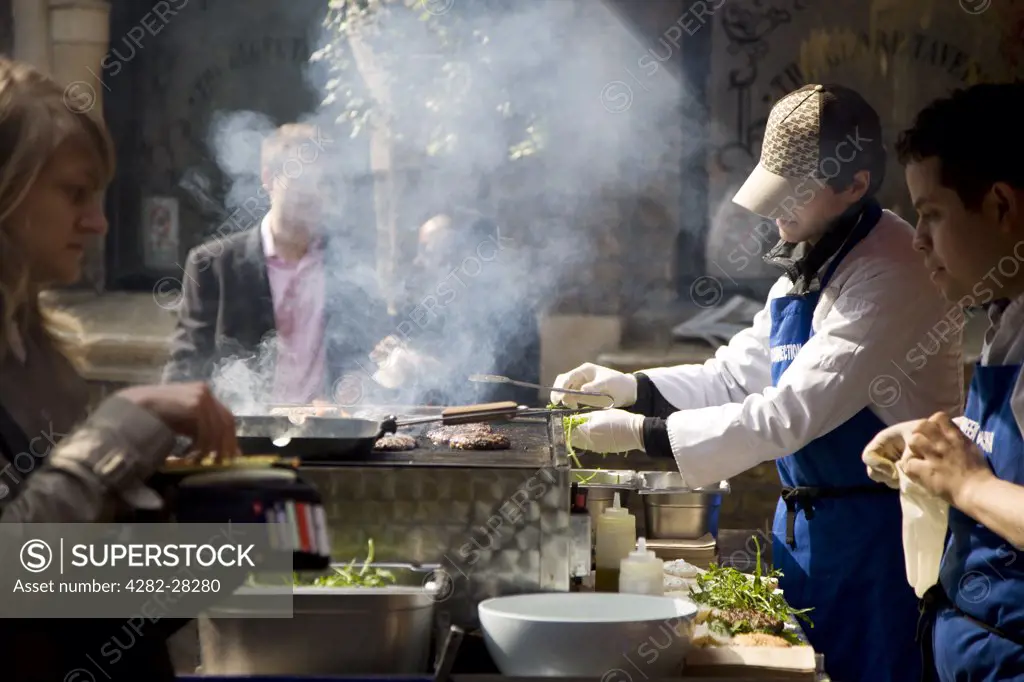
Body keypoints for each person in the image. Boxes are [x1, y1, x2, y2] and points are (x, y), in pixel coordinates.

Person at [550, 85, 964, 682]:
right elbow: (733, 374)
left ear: (854, 186)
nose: (776, 211)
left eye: (794, 194)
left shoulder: (891, 271)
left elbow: (788, 413)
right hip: (808, 538)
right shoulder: (812, 256)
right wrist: (631, 387)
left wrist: (645, 434)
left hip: (880, 543)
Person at [0, 58, 238, 680]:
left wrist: (236, 561)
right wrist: (123, 425)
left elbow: (62, 583)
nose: (98, 222)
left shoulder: (38, 349)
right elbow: (9, 570)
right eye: (74, 193)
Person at [861, 82, 1024, 682]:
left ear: (1002, 207)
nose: (919, 240)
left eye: (931, 214)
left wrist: (967, 483)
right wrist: (940, 442)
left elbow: (985, 487)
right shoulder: (1008, 317)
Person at [164, 122, 389, 408]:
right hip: (246, 436)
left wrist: (378, 370)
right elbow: (186, 367)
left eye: (325, 183)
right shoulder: (214, 264)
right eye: (303, 180)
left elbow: (366, 355)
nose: (315, 194)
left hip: (331, 432)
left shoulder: (352, 264)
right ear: (269, 179)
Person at [372, 212, 541, 406]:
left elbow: (500, 390)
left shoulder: (510, 313)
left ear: (457, 256)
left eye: (426, 250)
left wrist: (423, 367)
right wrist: (393, 360)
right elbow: (415, 396)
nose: (417, 261)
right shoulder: (430, 310)